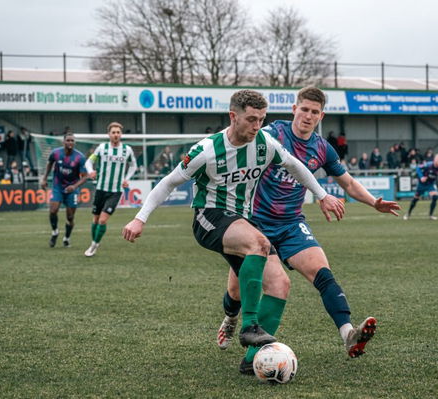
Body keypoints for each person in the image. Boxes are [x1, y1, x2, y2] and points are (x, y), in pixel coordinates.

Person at [122, 89, 345, 359]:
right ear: (233, 116)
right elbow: (168, 183)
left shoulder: (265, 144)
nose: (257, 126)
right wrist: (139, 218)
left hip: (244, 221)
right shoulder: (207, 150)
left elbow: (296, 166)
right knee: (260, 243)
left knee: (280, 285)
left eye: (261, 119)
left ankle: (253, 360)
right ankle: (249, 324)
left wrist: (321, 196)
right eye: (251, 119)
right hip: (210, 218)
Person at [214, 87, 400, 373]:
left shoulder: (322, 148)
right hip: (253, 224)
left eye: (315, 112)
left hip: (291, 224)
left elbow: (348, 183)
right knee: (236, 291)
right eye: (304, 110)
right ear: (294, 109)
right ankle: (230, 318)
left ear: (321, 115)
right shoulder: (273, 133)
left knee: (322, 273)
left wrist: (374, 202)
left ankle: (349, 334)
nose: (308, 116)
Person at [84, 122, 137, 257]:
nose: (116, 135)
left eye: (118, 132)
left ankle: (94, 245)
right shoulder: (102, 148)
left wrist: (127, 178)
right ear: (109, 134)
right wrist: (90, 171)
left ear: (121, 134)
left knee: (102, 220)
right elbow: (89, 162)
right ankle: (94, 240)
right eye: (113, 132)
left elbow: (133, 166)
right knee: (95, 220)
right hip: (101, 189)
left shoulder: (127, 150)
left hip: (115, 191)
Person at [40, 132, 88, 248]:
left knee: (70, 217)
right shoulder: (56, 153)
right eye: (68, 140)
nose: (70, 142)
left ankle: (66, 238)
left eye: (72, 140)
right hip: (58, 186)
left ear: (74, 142)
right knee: (53, 210)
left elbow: (85, 177)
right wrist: (44, 178)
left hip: (72, 189)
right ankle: (55, 232)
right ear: (64, 142)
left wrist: (74, 187)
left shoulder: (79, 157)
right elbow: (50, 163)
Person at [404, 153, 438, 220]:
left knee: (435, 196)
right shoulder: (428, 165)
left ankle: (431, 215)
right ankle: (408, 213)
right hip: (422, 184)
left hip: (430, 185)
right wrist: (421, 177)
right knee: (415, 199)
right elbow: (418, 168)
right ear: (434, 160)